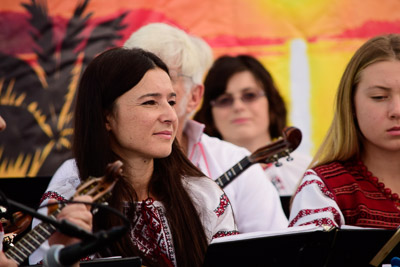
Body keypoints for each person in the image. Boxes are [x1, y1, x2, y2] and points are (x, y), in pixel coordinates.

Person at [30, 47, 237, 267]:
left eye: (172, 102)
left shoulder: (204, 196)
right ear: (106, 116)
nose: (170, 116)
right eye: (150, 102)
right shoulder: (67, 203)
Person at [123, 23, 288, 231]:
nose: (147, 86)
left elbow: (274, 251)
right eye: (134, 76)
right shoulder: (78, 174)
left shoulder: (234, 162)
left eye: (165, 74)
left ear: (194, 96)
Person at [289, 34, 400, 229]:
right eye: (379, 97)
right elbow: (310, 259)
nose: (396, 110)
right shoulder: (324, 188)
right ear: (351, 105)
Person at [194, 55, 311, 196]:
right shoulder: (196, 179)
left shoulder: (308, 172)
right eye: (224, 100)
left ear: (272, 104)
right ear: (210, 115)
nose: (238, 106)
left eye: (249, 95)